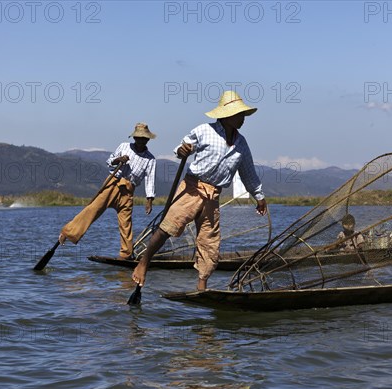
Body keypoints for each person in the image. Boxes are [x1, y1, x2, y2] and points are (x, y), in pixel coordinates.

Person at [132, 90, 267, 290]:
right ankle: (144, 263)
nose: (243, 119)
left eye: (243, 115)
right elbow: (182, 147)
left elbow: (248, 172)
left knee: (209, 242)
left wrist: (259, 196)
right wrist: (182, 150)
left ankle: (201, 285)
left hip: (213, 195)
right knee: (168, 226)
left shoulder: (241, 144)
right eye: (239, 115)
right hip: (192, 188)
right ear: (227, 115)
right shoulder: (205, 131)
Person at [58, 123, 157, 259]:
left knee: (126, 223)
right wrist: (119, 159)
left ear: (148, 140)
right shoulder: (124, 147)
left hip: (128, 191)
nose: (141, 140)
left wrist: (149, 200)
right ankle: (68, 232)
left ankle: (126, 254)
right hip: (113, 183)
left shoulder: (150, 159)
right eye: (139, 138)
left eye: (144, 138)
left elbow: (150, 179)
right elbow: (109, 162)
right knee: (93, 209)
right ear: (134, 138)